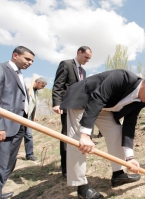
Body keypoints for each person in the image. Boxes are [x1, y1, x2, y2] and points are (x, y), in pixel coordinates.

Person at [59, 69, 145, 199]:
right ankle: (81, 187)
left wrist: (130, 158)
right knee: (78, 141)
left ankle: (118, 174)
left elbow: (129, 127)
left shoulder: (141, 102)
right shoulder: (122, 77)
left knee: (117, 131)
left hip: (103, 107)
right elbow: (98, 97)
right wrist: (85, 135)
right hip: (83, 98)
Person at [0, 46, 35, 199]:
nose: (30, 63)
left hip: (19, 126)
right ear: (15, 55)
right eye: (27, 59)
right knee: (1, 162)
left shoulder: (19, 74)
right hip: (5, 126)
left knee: (9, 162)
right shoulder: (3, 69)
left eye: (32, 61)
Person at [52, 46, 92, 178]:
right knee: (66, 136)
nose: (87, 60)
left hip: (79, 107)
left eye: (89, 58)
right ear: (79, 53)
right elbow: (58, 84)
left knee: (77, 136)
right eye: (86, 57)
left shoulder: (84, 71)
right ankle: (66, 170)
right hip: (67, 106)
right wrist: (57, 103)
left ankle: (76, 164)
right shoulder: (66, 64)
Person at [24, 77, 47, 161]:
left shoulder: (36, 92)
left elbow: (33, 105)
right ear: (38, 83)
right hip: (21, 115)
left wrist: (34, 116)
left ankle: (29, 154)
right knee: (16, 135)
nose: (43, 88)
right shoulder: (27, 88)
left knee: (28, 135)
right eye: (42, 86)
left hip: (29, 116)